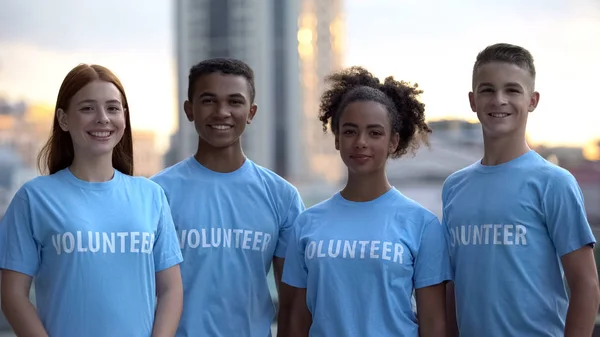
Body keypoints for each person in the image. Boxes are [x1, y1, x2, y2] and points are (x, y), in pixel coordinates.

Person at [0, 64, 184, 337]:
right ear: (63, 119)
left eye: (112, 108)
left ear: (124, 116)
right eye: (87, 108)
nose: (103, 118)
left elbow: (171, 290)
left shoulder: (151, 195)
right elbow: (12, 294)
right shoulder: (34, 198)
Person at [443, 43, 600, 337]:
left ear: (532, 100)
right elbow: (453, 284)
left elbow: (587, 286)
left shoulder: (554, 182)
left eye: (512, 90)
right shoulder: (454, 187)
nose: (498, 99)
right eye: (487, 90)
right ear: (472, 100)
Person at [282, 66, 451, 337]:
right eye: (350, 131)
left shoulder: (423, 224)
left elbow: (434, 324)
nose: (361, 142)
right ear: (337, 138)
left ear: (393, 142)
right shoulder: (306, 224)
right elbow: (295, 321)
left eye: (374, 133)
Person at [151, 58, 305, 337]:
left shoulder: (282, 196)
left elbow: (293, 302)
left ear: (251, 112)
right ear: (189, 110)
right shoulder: (157, 193)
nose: (222, 112)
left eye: (235, 102)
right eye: (209, 101)